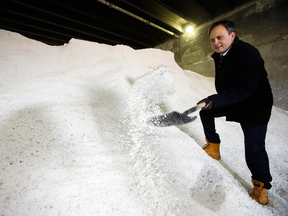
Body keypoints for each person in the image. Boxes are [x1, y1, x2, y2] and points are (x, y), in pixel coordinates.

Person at [197, 20, 273, 205]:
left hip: (255, 106)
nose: (216, 42)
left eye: (220, 37)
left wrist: (216, 100)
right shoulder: (223, 54)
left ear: (232, 35)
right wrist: (212, 101)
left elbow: (244, 88)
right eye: (212, 39)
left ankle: (260, 187)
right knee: (206, 112)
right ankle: (213, 148)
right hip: (236, 100)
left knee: (254, 149)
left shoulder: (248, 53)